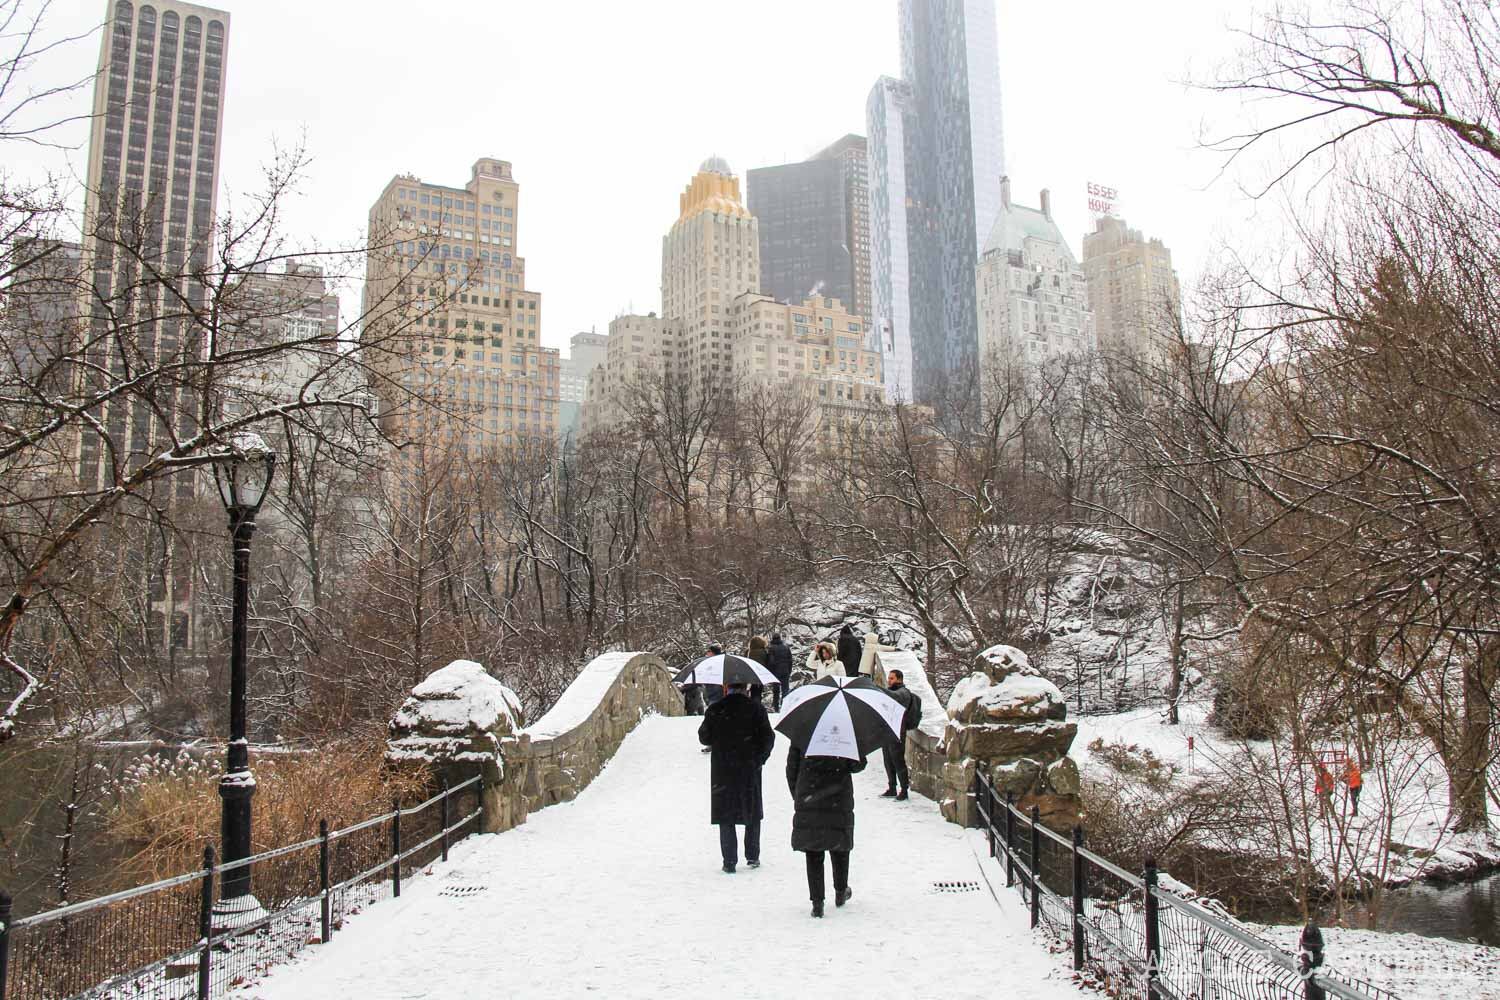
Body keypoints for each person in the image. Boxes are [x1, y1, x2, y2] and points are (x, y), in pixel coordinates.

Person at [698, 681, 775, 874]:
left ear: (726, 688)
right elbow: (768, 738)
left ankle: (729, 860)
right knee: (752, 810)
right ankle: (753, 855)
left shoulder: (716, 709)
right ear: (746, 689)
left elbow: (704, 737)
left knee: (726, 813)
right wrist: (760, 759)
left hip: (723, 769)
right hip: (749, 767)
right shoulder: (756, 709)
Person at [787, 745, 864, 917]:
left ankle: (817, 902)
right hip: (839, 795)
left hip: (810, 795)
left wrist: (799, 794)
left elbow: (791, 768)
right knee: (839, 845)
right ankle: (840, 890)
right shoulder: (845, 734)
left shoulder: (804, 728)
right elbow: (857, 765)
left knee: (814, 850)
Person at [880, 668, 922, 801]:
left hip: (898, 732)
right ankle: (892, 787)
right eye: (889, 678)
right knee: (888, 760)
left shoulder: (904, 693)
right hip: (887, 730)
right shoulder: (892, 691)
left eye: (891, 678)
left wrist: (877, 689)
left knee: (897, 761)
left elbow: (895, 698)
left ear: (899, 679)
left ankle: (904, 790)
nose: (889, 680)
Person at [700, 644, 726, 752]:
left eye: (709, 651)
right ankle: (715, 742)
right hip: (713, 694)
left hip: (718, 694)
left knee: (714, 719)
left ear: (713, 652)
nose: (707, 653)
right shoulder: (713, 662)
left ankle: (713, 743)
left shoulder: (717, 663)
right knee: (716, 719)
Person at [766, 633, 794, 710]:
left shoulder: (771, 648)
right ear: (780, 638)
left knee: (776, 690)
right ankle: (785, 707)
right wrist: (789, 671)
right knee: (785, 689)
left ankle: (776, 707)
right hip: (785, 671)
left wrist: (770, 672)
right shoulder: (786, 647)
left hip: (775, 672)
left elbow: (771, 662)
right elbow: (790, 661)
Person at [746, 635, 770, 705]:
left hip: (752, 673)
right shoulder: (764, 652)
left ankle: (752, 704)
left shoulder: (749, 651)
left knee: (753, 689)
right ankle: (757, 704)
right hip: (761, 673)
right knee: (758, 691)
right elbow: (767, 661)